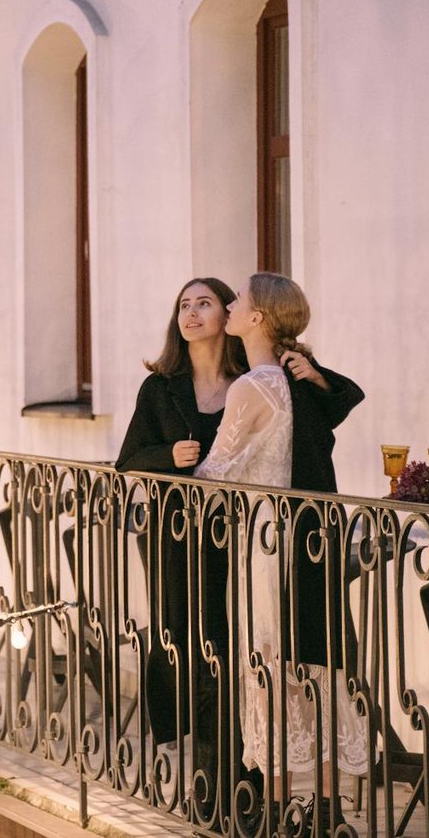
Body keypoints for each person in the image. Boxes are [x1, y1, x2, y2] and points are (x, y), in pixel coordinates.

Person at [193, 272, 367, 821]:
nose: (229, 305)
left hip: (265, 544)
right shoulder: (292, 384)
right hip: (299, 539)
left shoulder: (251, 387)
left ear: (259, 318)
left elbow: (216, 473)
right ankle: (317, 803)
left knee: (268, 662)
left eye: (238, 300)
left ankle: (276, 805)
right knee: (303, 665)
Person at [115, 278, 244, 766]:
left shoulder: (252, 380)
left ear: (226, 316)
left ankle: (230, 755)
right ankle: (196, 748)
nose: (191, 314)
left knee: (226, 636)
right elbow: (127, 461)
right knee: (180, 633)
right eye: (184, 306)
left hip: (234, 532)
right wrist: (169, 456)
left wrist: (310, 370)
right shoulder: (160, 388)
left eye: (203, 304)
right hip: (171, 532)